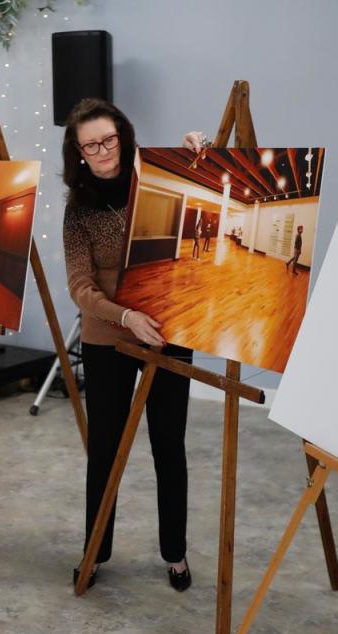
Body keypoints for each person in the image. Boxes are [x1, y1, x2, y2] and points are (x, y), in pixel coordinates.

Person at [62, 97, 203, 592]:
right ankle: (95, 550)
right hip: (109, 339)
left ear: (123, 135)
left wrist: (197, 154)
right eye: (90, 145)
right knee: (105, 449)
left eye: (109, 139)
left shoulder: (158, 175)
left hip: (170, 330)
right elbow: (80, 285)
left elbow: (205, 188)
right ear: (78, 152)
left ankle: (176, 554)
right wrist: (125, 316)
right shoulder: (78, 208)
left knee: (169, 445)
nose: (102, 151)